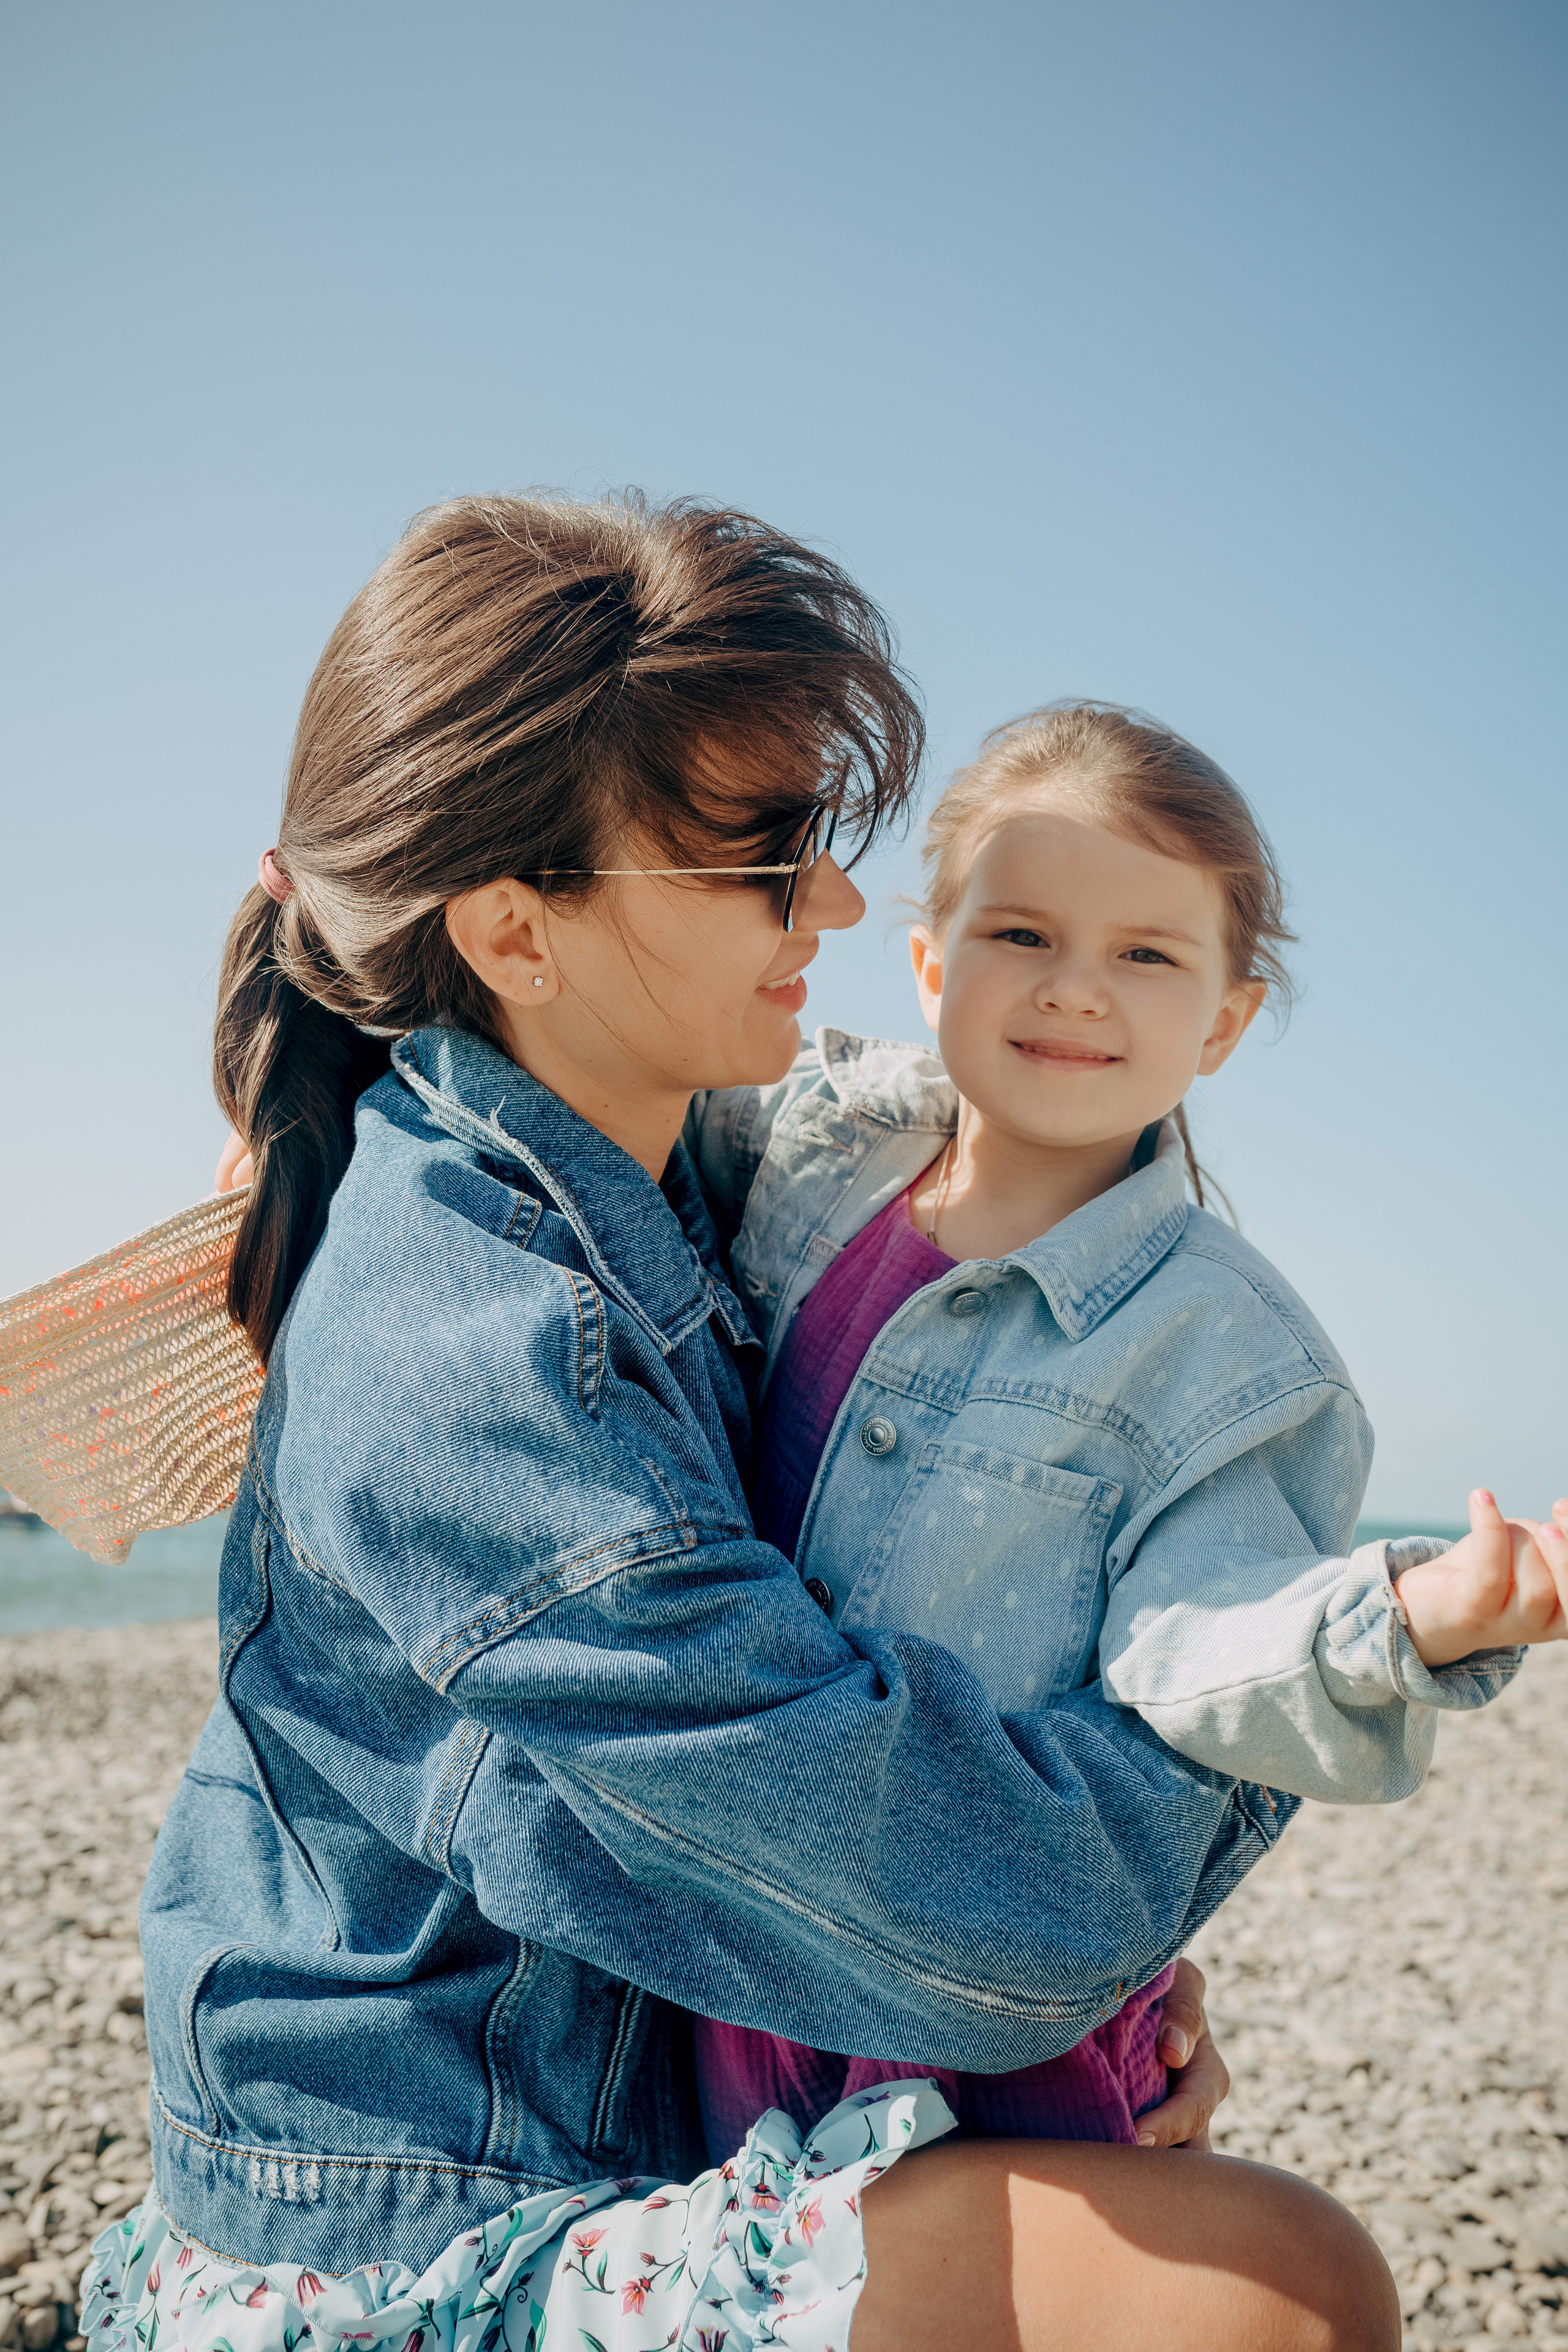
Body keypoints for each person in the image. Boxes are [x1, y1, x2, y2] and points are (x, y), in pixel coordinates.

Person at [85, 497, 1401, 2352]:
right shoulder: (471, 1346)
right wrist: (1138, 1876)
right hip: (436, 2238)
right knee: (1284, 2293)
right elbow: (965, 1904)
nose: (843, 909)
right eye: (766, 860)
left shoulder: (679, 1167)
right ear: (514, 936)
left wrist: (1093, 1965)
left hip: (638, 2111)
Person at [686, 699, 1566, 2167]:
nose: (1074, 990)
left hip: (964, 1994)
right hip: (712, 1934)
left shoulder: (1223, 1350)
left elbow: (1204, 1632)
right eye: (1020, 934)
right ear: (929, 963)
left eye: (1145, 955)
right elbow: (570, 1121)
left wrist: (1413, 1614)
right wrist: (309, 1102)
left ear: (1220, 1020)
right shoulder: (797, 1145)